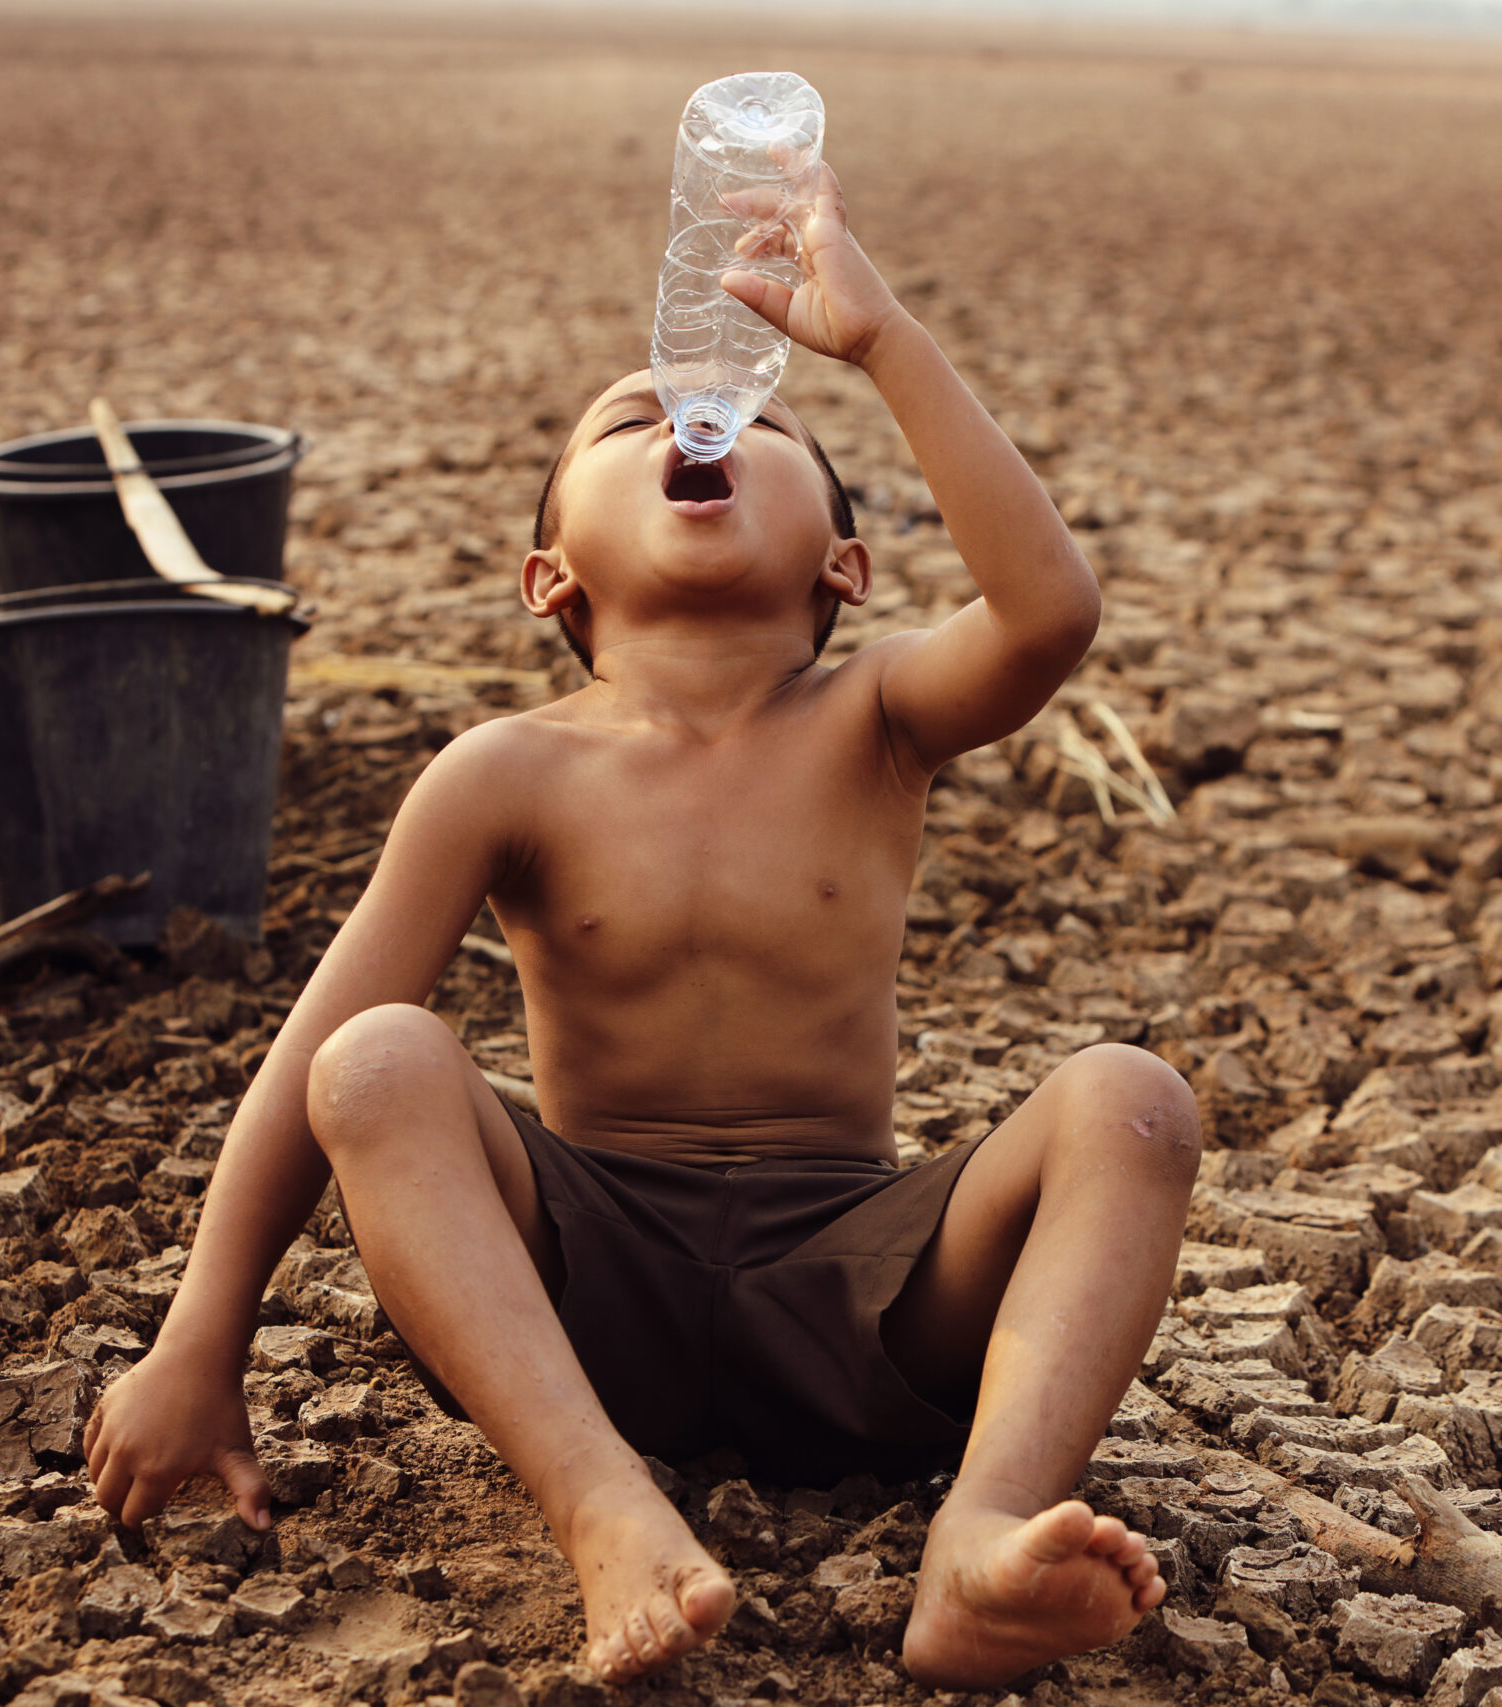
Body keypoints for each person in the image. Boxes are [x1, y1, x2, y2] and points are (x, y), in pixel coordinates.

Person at [79, 159, 1201, 1692]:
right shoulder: (504, 773)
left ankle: (983, 1533)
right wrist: (202, 1335)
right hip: (590, 1299)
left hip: (861, 1293)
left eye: (770, 423)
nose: (698, 417)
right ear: (553, 576)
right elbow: (316, 1056)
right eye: (628, 421)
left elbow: (1047, 613)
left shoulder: (875, 715)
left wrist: (875, 348)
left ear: (843, 569)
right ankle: (606, 1510)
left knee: (1129, 1100)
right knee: (382, 1064)